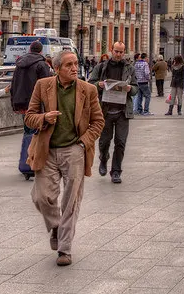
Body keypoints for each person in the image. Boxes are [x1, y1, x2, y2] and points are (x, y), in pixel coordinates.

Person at [24, 50, 105, 266]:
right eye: (68, 65)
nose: (74, 68)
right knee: (41, 197)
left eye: (76, 64)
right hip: (47, 150)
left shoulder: (88, 90)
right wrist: (44, 118)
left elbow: (98, 122)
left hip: (74, 149)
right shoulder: (43, 85)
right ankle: (57, 226)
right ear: (57, 68)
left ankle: (64, 249)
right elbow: (29, 116)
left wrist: (82, 144)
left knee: (71, 201)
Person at [88, 42, 137, 183]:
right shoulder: (101, 66)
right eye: (116, 51)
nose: (119, 54)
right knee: (104, 142)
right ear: (111, 51)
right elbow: (91, 83)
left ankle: (116, 171)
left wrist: (129, 89)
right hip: (105, 110)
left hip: (123, 111)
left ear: (124, 52)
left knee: (120, 142)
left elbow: (135, 88)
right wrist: (99, 85)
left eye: (121, 52)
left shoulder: (129, 68)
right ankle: (103, 159)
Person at [11, 41, 54, 180]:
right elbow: (47, 86)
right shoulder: (41, 64)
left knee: (28, 130)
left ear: (30, 49)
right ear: (41, 51)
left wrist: (14, 102)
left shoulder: (19, 64)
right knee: (34, 132)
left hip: (21, 102)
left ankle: (26, 162)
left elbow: (14, 84)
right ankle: (29, 163)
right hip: (35, 103)